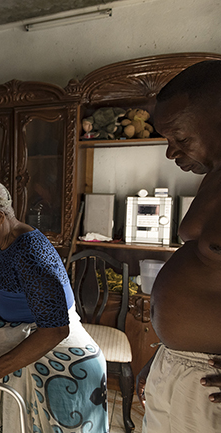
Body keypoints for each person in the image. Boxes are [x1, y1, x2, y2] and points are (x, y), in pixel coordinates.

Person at [0, 176, 108, 433]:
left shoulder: (31, 254)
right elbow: (9, 296)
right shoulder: (4, 244)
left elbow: (56, 329)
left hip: (66, 367)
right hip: (35, 358)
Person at [135, 60, 221, 433]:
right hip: (179, 365)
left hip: (209, 381)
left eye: (181, 139)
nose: (171, 154)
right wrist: (164, 352)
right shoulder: (213, 178)